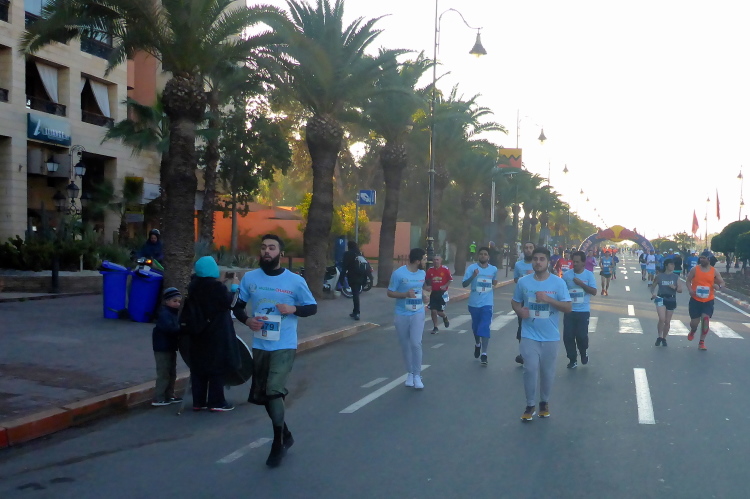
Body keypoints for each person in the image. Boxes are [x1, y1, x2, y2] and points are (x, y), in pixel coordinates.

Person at [232, 234, 318, 467]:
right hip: (260, 344)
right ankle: (286, 434)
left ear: (281, 253)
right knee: (264, 396)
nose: (267, 251)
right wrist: (247, 320)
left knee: (273, 390)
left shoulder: (294, 281)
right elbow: (238, 307)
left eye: (271, 248)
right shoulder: (250, 278)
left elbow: (312, 307)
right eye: (263, 248)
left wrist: (293, 308)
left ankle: (277, 442)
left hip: (284, 344)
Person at [512, 247, 572, 421]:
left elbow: (568, 307)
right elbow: (515, 302)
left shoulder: (558, 283)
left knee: (547, 372)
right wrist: (519, 311)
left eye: (541, 259)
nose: (538, 262)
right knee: (530, 369)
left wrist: (548, 299)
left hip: (550, 336)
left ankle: (544, 402)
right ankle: (530, 405)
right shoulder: (523, 282)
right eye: (535, 259)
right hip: (529, 334)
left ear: (547, 262)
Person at [183, 257, 241, 413]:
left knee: (199, 368)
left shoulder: (193, 286)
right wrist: (234, 287)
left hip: (197, 332)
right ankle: (216, 401)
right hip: (216, 333)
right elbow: (230, 303)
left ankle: (198, 401)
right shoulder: (216, 288)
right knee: (216, 367)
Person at [387, 248, 430, 389]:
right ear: (417, 261)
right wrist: (405, 294)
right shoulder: (399, 273)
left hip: (418, 312)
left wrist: (424, 297)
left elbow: (419, 289)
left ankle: (417, 375)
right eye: (424, 259)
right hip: (401, 313)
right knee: (405, 345)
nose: (425, 261)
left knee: (416, 343)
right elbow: (390, 292)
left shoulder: (422, 273)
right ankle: (410, 373)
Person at [462, 247, 499, 365]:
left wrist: (494, 283)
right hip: (474, 303)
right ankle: (477, 344)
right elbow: (464, 284)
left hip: (487, 303)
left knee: (485, 326)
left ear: (488, 257)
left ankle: (484, 353)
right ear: (478, 256)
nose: (483, 256)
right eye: (481, 254)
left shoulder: (493, 269)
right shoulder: (472, 268)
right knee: (476, 327)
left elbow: (494, 281)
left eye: (485, 254)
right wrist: (473, 276)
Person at [561, 251, 597, 368]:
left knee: (581, 336)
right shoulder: (567, 275)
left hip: (583, 311)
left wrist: (581, 284)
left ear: (583, 263)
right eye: (573, 262)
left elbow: (594, 291)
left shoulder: (589, 275)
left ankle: (583, 352)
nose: (575, 264)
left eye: (577, 262)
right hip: (570, 311)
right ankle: (572, 359)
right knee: (568, 337)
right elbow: (561, 291)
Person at [685, 251, 726, 351]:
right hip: (695, 300)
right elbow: (688, 281)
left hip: (708, 300)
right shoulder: (695, 269)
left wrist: (718, 286)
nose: (701, 259)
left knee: (705, 320)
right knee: (694, 323)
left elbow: (722, 283)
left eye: (704, 258)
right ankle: (693, 330)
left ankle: (701, 342)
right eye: (701, 258)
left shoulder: (714, 271)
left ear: (709, 259)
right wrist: (690, 290)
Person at [151, 287, 183, 407]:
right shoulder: (164, 314)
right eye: (174, 301)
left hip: (170, 347)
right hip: (162, 348)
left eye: (179, 301)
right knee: (164, 373)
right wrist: (182, 329)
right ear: (166, 301)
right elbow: (169, 329)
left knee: (171, 372)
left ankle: (169, 394)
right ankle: (159, 397)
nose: (177, 304)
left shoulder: (172, 313)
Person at [513, 241, 536, 365]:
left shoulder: (537, 264)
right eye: (526, 248)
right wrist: (523, 280)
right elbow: (515, 279)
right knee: (522, 326)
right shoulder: (518, 265)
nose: (528, 250)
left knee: (536, 325)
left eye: (531, 247)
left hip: (537, 299)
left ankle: (536, 353)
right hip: (523, 300)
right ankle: (523, 354)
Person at [650, 259, 683, 346]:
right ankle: (659, 336)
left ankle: (664, 338)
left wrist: (674, 287)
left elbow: (680, 290)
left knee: (667, 321)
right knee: (662, 318)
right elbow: (653, 287)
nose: (673, 266)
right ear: (666, 265)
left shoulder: (675, 277)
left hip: (671, 299)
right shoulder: (659, 276)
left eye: (673, 265)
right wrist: (653, 294)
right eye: (671, 264)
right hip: (660, 298)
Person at [342, 241, 370, 321]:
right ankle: (355, 311)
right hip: (362, 276)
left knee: (355, 295)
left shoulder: (348, 254)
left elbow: (344, 267)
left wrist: (341, 278)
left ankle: (357, 312)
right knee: (356, 294)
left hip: (353, 277)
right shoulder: (359, 253)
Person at [426, 255, 452, 334]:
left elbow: (450, 280)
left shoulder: (445, 269)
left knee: (439, 311)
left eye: (437, 260)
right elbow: (427, 279)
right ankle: (435, 327)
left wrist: (445, 286)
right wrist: (428, 286)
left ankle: (444, 317)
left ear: (441, 260)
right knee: (433, 310)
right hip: (434, 292)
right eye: (434, 260)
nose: (435, 261)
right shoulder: (430, 270)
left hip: (442, 293)